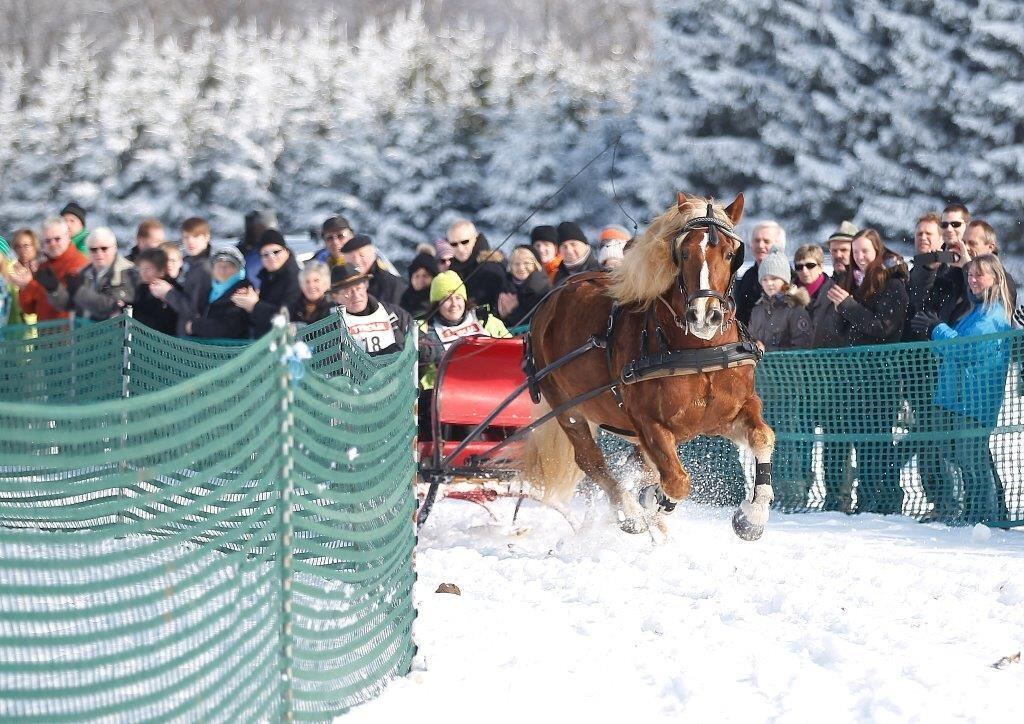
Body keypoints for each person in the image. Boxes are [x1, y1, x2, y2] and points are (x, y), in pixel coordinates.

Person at [910, 254, 1013, 523]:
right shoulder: (975, 310)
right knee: (955, 455)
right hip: (956, 398)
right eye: (970, 275)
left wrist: (937, 329)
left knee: (972, 460)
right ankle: (970, 511)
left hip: (974, 400)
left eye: (979, 275)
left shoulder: (993, 315)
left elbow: (965, 349)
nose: (973, 280)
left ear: (995, 279)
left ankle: (984, 515)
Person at [826, 228, 909, 514]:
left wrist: (848, 305)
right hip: (855, 378)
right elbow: (842, 332)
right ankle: (867, 499)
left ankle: (885, 500)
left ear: (877, 251)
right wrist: (841, 306)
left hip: (881, 376)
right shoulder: (854, 281)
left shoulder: (893, 284)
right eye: (855, 252)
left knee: (878, 441)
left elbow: (884, 328)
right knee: (862, 440)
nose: (860, 257)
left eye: (865, 251)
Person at [747, 247, 812, 510]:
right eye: (765, 279)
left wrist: (768, 351)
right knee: (764, 443)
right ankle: (768, 493)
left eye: (774, 278)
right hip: (763, 388)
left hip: (787, 387)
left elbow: (803, 347)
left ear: (785, 280)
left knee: (787, 443)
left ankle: (793, 494)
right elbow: (752, 337)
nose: (770, 283)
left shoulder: (795, 309)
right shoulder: (758, 309)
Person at [417, 270, 511, 438]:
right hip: (444, 395)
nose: (454, 304)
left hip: (491, 388)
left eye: (458, 298)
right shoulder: (424, 330)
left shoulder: (485, 321)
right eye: (446, 299)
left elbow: (512, 349)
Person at [9, 217, 88, 322]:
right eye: (48, 241)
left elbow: (71, 305)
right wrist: (25, 287)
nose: (53, 244)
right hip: (46, 333)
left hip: (69, 333)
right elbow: (29, 308)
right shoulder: (43, 266)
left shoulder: (79, 264)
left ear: (67, 236)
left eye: (57, 239)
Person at [50, 227, 139, 321]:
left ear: (114, 248)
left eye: (104, 248)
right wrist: (54, 290)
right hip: (84, 332)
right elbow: (68, 305)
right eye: (93, 249)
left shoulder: (128, 273)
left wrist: (79, 291)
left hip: (114, 333)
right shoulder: (83, 273)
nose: (99, 253)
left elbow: (109, 307)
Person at [329, 263, 412, 356]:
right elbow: (325, 362)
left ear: (366, 287)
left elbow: (426, 346)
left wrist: (418, 348)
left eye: (359, 288)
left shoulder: (394, 314)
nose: (356, 295)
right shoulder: (329, 327)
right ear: (335, 297)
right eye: (347, 292)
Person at [230, 229, 301, 337]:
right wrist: (246, 301)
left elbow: (287, 316)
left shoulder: (296, 278)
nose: (271, 257)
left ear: (286, 251)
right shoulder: (266, 277)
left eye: (276, 252)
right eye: (265, 254)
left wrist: (255, 305)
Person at [180, 247, 251, 339]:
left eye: (228, 265)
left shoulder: (243, 292)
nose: (222, 269)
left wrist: (195, 326)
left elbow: (229, 329)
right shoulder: (210, 291)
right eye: (219, 265)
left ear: (238, 269)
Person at [444, 219, 509, 312]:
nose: (460, 248)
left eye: (465, 242)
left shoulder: (491, 266)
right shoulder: (452, 271)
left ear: (475, 238)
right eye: (454, 244)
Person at [735, 220, 787, 325]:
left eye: (766, 241)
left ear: (779, 245)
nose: (760, 245)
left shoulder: (789, 277)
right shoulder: (747, 277)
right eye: (757, 240)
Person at [340, 233, 406, 307]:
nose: (357, 262)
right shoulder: (344, 286)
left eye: (362, 256)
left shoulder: (389, 283)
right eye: (352, 258)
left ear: (373, 254)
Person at [963, 219, 1016, 305]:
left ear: (990, 248)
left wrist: (966, 267)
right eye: (963, 242)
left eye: (972, 243)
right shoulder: (958, 269)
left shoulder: (1003, 279)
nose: (966, 248)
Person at [498, 245, 551, 328]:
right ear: (510, 266)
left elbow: (536, 321)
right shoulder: (504, 286)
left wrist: (511, 311)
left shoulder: (541, 288)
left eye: (526, 263)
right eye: (516, 264)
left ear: (535, 264)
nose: (521, 268)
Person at [131, 248, 181, 336]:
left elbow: (165, 321)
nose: (142, 273)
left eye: (147, 269)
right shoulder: (142, 288)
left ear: (161, 270)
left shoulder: (173, 290)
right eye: (141, 269)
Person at [2, 229, 40, 325]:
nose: (22, 250)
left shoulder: (42, 269)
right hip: (14, 327)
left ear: (34, 246)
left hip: (38, 326)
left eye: (26, 246)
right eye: (18, 246)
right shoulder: (8, 268)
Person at [237, 210, 277, 288]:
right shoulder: (242, 250)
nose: (257, 231)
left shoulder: (277, 252)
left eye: (261, 227)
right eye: (255, 227)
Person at [288, 261, 333, 327]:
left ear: (326, 283)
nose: (311, 286)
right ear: (301, 285)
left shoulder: (332, 307)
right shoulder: (293, 307)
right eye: (307, 282)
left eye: (316, 280)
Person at [399, 251, 438, 319]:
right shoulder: (405, 299)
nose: (420, 280)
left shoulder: (437, 302)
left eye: (425, 276)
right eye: (417, 276)